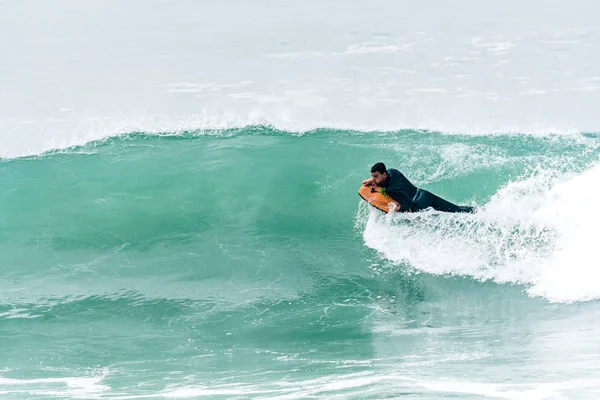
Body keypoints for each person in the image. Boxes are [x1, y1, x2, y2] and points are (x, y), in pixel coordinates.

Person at [362, 162, 475, 213]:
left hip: (419, 203)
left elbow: (407, 203)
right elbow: (385, 181)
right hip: (424, 194)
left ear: (384, 174)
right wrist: (373, 180)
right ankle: (476, 211)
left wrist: (398, 211)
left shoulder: (390, 190)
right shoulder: (393, 171)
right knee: (455, 209)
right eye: (373, 176)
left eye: (376, 176)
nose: (374, 179)